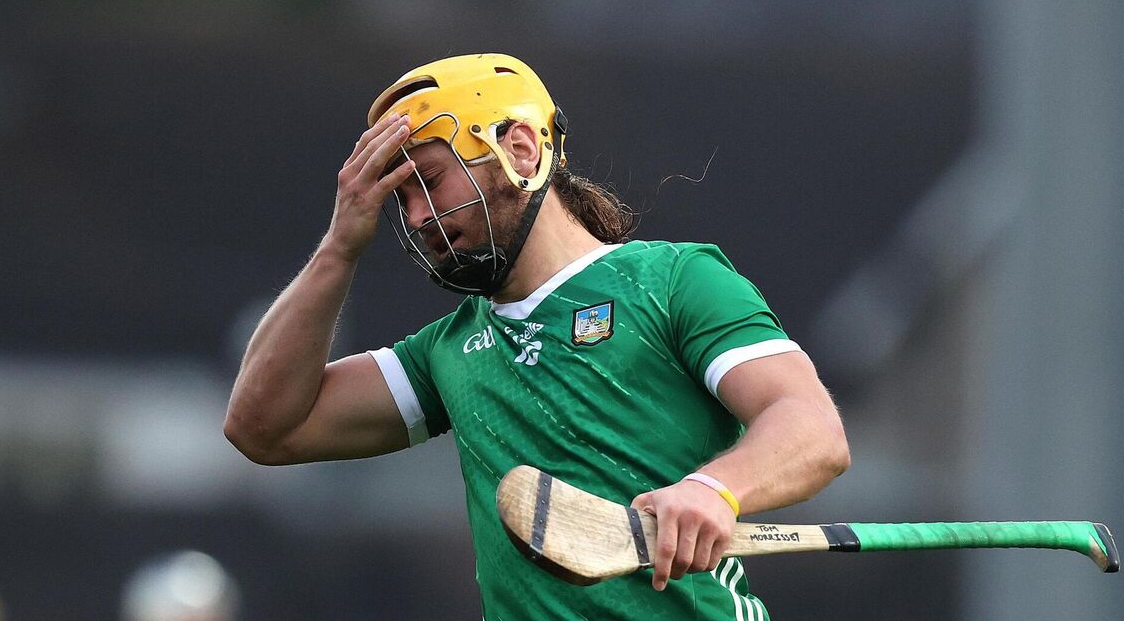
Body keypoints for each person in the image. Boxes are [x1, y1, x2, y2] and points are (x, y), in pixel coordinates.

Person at [224, 53, 850, 619]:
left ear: (521, 150)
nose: (416, 217)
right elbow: (262, 427)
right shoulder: (445, 352)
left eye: (430, 181)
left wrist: (714, 490)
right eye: (403, 198)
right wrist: (339, 247)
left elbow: (811, 427)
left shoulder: (675, 281)